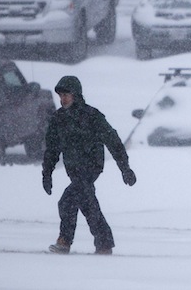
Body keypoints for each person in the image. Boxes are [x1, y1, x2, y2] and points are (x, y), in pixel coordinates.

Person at [42, 75, 136, 255]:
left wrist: (125, 168)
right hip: (73, 170)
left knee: (68, 200)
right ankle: (104, 244)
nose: (62, 99)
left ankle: (65, 242)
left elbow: (113, 141)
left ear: (76, 94)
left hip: (90, 167)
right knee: (86, 203)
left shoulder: (92, 116)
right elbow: (52, 149)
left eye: (66, 95)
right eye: (60, 95)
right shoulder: (58, 119)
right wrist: (47, 174)